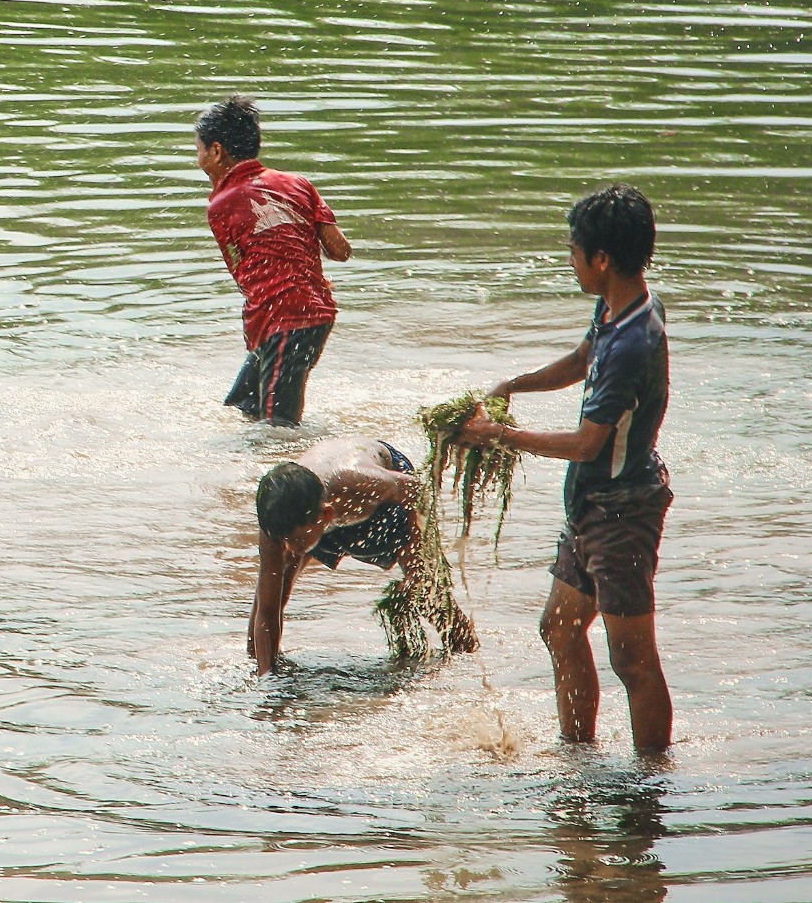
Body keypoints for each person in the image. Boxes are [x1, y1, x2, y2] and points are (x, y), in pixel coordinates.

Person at [456, 184, 674, 754]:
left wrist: (497, 435)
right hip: (592, 505)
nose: (571, 262)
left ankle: (650, 787)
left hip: (621, 511)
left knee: (632, 659)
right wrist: (513, 385)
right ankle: (578, 755)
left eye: (575, 252)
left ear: (602, 258)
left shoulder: (631, 342)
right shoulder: (620, 307)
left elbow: (585, 444)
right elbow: (581, 361)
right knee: (559, 627)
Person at [249, 437, 476, 673]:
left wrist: (419, 560)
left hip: (388, 502)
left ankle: (466, 654)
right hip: (313, 506)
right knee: (274, 591)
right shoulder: (275, 522)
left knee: (426, 592)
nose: (287, 548)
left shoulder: (357, 481)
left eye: (294, 540)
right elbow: (266, 610)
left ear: (326, 516)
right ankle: (262, 667)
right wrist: (268, 684)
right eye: (282, 540)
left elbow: (416, 490)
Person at [196, 95, 351, 427]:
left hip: (283, 319)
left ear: (217, 151)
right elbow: (340, 250)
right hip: (315, 313)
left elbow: (243, 274)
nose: (199, 160)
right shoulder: (297, 184)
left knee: (277, 428)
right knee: (246, 403)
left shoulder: (221, 204)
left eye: (199, 151)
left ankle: (290, 472)